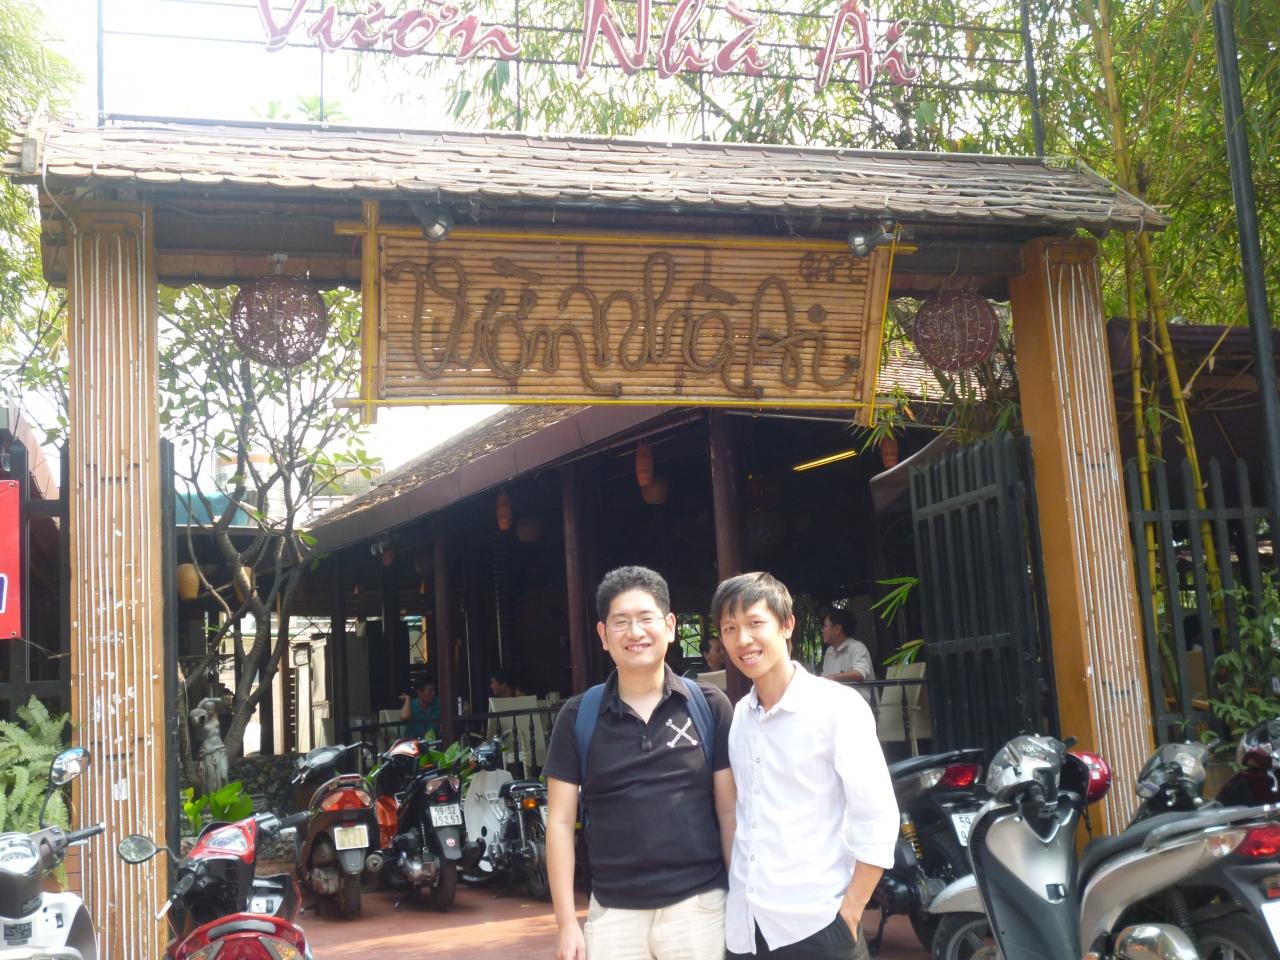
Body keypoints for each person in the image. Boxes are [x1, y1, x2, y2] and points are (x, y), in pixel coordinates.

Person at [543, 565, 736, 960]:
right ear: (603, 635)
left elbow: (729, 809)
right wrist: (566, 923)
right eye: (621, 622)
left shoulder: (708, 706)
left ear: (670, 626)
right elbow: (560, 822)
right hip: (614, 916)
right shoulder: (578, 716)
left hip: (700, 910)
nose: (635, 632)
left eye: (646, 618)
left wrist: (741, 898)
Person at [714, 572, 898, 959]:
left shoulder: (837, 708)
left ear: (787, 625)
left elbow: (877, 816)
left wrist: (850, 912)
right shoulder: (740, 717)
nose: (742, 639)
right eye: (730, 628)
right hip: (747, 928)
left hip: (818, 925)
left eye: (755, 623)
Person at [820, 607, 875, 704]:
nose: (822, 630)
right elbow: (824, 678)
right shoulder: (829, 651)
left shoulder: (857, 648)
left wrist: (835, 677)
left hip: (857, 708)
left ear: (837, 629)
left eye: (825, 626)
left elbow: (860, 673)